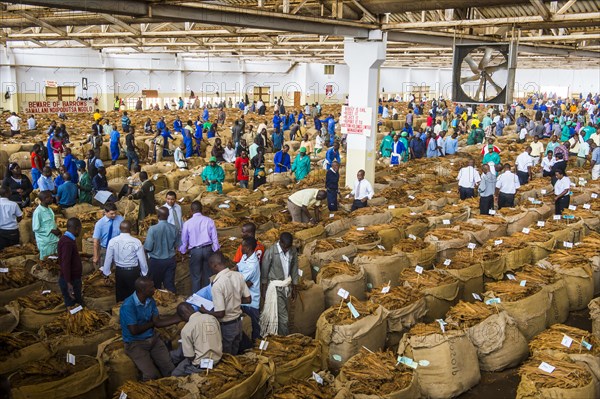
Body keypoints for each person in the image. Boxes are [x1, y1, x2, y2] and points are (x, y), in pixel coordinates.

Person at [120, 276, 181, 380]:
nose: (155, 289)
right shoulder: (128, 305)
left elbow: (157, 322)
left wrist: (179, 318)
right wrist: (152, 323)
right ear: (143, 290)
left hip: (153, 339)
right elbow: (134, 330)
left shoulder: (150, 300)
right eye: (152, 287)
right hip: (135, 343)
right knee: (152, 376)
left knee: (170, 369)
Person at [199, 252, 250, 355]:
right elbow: (248, 299)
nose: (211, 269)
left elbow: (221, 313)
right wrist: (234, 301)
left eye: (211, 266)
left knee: (227, 357)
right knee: (235, 352)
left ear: (214, 265)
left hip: (227, 326)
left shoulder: (217, 285)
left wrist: (205, 311)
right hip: (238, 323)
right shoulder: (238, 276)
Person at [260, 232, 299, 336]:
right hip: (275, 287)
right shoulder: (271, 252)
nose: (287, 250)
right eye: (285, 247)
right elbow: (264, 271)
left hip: (287, 286)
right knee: (284, 317)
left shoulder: (293, 250)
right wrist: (263, 289)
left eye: (289, 247)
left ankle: (277, 335)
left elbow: (294, 269)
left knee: (282, 313)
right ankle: (284, 339)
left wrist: (295, 287)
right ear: (280, 242)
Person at [170, 302, 222, 376]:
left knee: (175, 374)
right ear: (192, 309)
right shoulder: (212, 318)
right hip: (217, 358)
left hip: (201, 366)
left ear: (182, 316)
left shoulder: (186, 329)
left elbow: (190, 357)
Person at [102, 220, 148, 302]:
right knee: (133, 295)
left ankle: (120, 312)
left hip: (119, 272)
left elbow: (108, 258)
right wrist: (144, 273)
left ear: (120, 228)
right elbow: (142, 260)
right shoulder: (136, 242)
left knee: (120, 296)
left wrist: (106, 272)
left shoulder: (112, 241)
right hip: (133, 272)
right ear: (131, 229)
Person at [179, 201, 220, 293]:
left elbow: (184, 241)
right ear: (202, 210)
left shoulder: (187, 223)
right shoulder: (209, 221)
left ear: (191, 211)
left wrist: (182, 252)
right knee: (208, 275)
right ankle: (207, 298)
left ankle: (196, 299)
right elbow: (215, 239)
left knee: (196, 277)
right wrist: (216, 250)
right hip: (208, 250)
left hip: (195, 251)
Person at [144, 207, 179, 293]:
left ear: (157, 216)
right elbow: (177, 244)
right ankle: (173, 301)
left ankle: (156, 303)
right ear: (168, 215)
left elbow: (148, 247)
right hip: (170, 260)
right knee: (169, 284)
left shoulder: (153, 229)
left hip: (156, 261)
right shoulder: (174, 228)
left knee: (155, 285)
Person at [235, 237, 261, 340]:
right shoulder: (245, 256)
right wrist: (229, 271)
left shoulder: (253, 265)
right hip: (243, 298)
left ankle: (256, 343)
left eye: (243, 246)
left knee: (254, 325)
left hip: (251, 301)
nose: (241, 247)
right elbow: (238, 266)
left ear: (248, 248)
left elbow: (240, 280)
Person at [57, 218, 83, 307]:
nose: (80, 231)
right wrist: (68, 283)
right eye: (80, 229)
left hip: (72, 279)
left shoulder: (69, 240)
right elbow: (65, 263)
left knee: (78, 304)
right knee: (73, 306)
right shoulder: (67, 242)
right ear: (76, 228)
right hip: (70, 281)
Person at [93, 202, 124, 268]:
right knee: (105, 269)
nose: (114, 215)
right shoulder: (99, 224)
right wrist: (96, 256)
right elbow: (96, 241)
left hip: (118, 248)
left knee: (118, 268)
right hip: (105, 249)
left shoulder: (120, 219)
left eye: (115, 213)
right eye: (111, 214)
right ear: (105, 212)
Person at [32, 191, 61, 259]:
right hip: (45, 242)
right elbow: (36, 228)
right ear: (45, 199)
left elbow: (51, 223)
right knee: (46, 261)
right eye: (50, 197)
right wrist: (51, 231)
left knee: (54, 261)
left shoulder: (49, 209)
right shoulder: (38, 212)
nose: (52, 199)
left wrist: (57, 229)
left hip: (53, 240)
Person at [0, 187, 22, 251]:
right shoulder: (14, 204)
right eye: (10, 191)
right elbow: (20, 217)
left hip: (1, 230)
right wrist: (15, 220)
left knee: (2, 251)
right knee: (15, 250)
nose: (11, 192)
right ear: (7, 194)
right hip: (12, 230)